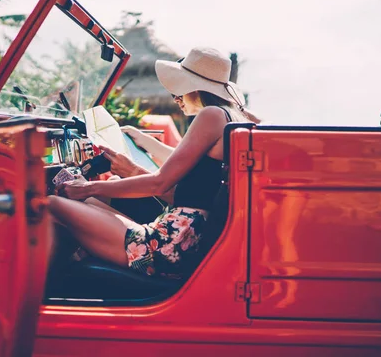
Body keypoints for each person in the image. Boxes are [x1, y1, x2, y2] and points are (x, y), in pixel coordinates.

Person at [48, 47, 251, 278]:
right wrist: (90, 191)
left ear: (195, 87)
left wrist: (88, 186)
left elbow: (159, 183)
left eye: (179, 90)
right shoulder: (230, 117)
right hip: (183, 241)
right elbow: (187, 190)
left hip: (166, 245)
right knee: (87, 202)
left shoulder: (212, 115)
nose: (176, 98)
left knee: (51, 204)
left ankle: (35, 293)